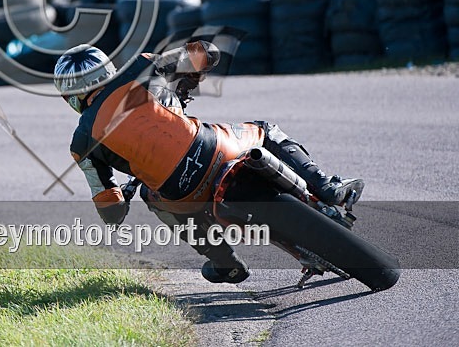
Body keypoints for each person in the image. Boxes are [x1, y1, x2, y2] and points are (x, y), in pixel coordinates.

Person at [54, 42, 364, 284]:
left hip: (181, 195)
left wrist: (123, 197)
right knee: (265, 130)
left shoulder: (81, 144)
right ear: (109, 69)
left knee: (152, 197)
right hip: (218, 149)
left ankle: (226, 265)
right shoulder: (143, 66)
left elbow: (110, 212)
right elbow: (206, 53)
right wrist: (192, 73)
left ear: (71, 97)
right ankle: (328, 187)